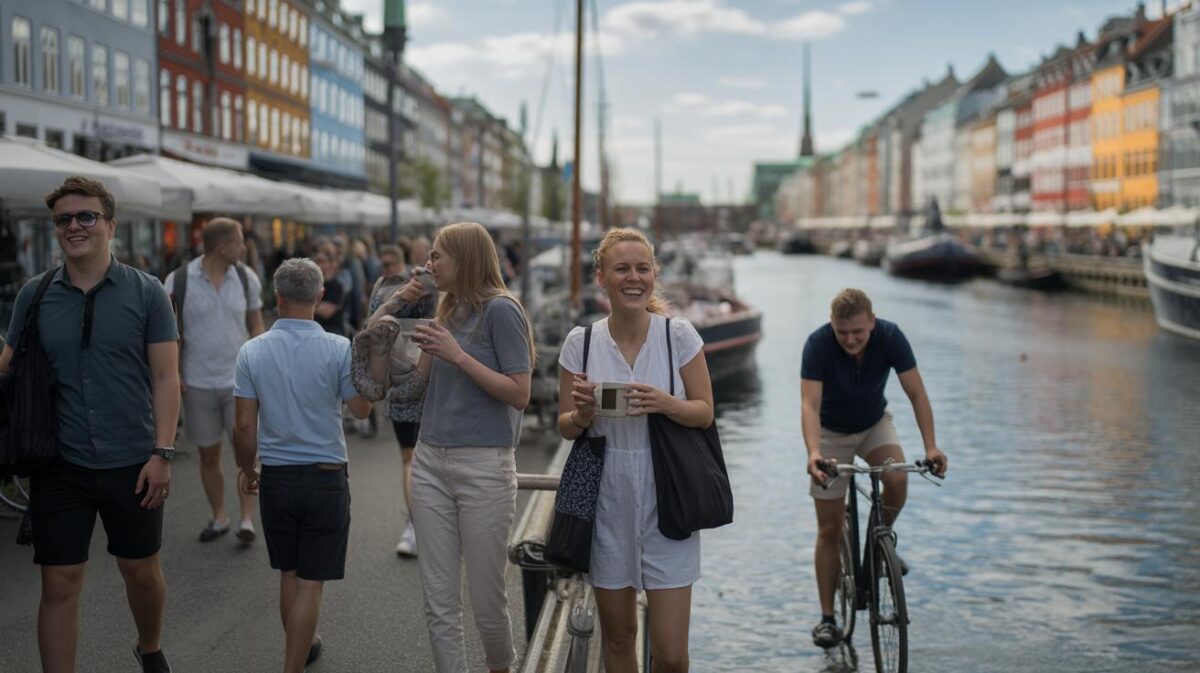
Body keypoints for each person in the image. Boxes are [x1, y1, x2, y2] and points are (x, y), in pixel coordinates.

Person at [0, 176, 180, 673]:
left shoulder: (147, 294)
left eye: (86, 217)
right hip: (59, 461)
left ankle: (149, 646)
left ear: (110, 225)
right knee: (58, 583)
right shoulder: (34, 296)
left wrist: (162, 454)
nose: (74, 226)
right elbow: (8, 366)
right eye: (64, 219)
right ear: (56, 229)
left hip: (134, 461)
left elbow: (167, 379)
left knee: (141, 572)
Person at [556, 228, 713, 673]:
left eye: (643, 268)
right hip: (607, 496)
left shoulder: (676, 336)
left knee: (671, 655)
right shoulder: (580, 343)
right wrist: (583, 415)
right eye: (622, 268)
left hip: (667, 490)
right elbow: (566, 426)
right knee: (620, 638)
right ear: (601, 276)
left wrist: (666, 404)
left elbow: (704, 412)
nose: (634, 277)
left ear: (653, 275)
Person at [394, 221, 534, 673]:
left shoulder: (502, 311)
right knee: (439, 600)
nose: (429, 263)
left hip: (485, 466)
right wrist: (393, 328)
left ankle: (501, 666)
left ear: (465, 259)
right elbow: (414, 389)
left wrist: (457, 355)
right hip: (431, 459)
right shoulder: (445, 310)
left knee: (486, 599)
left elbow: (519, 393)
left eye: (437, 255)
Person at [232, 258, 373, 673]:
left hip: (276, 476)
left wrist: (247, 468)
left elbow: (243, 425)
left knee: (289, 575)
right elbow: (362, 410)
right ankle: (292, 665)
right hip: (325, 475)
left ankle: (302, 646)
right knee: (312, 582)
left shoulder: (252, 350)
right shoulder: (338, 347)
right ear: (320, 295)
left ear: (276, 298)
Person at [801, 289, 948, 649]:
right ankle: (827, 618)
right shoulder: (818, 344)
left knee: (896, 478)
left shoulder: (892, 337)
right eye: (842, 332)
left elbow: (917, 394)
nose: (850, 340)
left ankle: (878, 542)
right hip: (831, 434)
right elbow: (809, 405)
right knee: (829, 529)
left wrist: (930, 446)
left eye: (858, 332)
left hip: (873, 426)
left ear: (872, 321)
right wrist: (814, 452)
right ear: (833, 325)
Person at [164, 217, 265, 544]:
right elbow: (170, 334)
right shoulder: (178, 280)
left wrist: (263, 368)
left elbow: (257, 327)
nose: (243, 247)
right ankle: (219, 516)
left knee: (245, 455)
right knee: (208, 455)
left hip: (241, 385)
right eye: (239, 241)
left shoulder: (246, 278)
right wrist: (175, 372)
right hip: (197, 383)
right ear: (222, 247)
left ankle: (247, 519)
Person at [358, 243, 438, 557]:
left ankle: (427, 524)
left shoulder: (429, 288)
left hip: (432, 381)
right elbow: (371, 330)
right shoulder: (385, 289)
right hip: (400, 381)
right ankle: (416, 523)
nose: (387, 270)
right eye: (383, 265)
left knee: (427, 457)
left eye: (391, 264)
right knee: (410, 456)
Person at [313, 249, 347, 336]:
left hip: (332, 332)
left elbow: (326, 312)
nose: (319, 265)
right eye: (317, 261)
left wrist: (302, 306)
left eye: (322, 262)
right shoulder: (311, 285)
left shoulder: (335, 286)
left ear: (330, 264)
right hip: (315, 331)